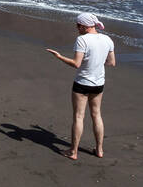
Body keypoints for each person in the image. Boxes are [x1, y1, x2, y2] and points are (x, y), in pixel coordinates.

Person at [47, 12, 116, 160]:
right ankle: (99, 150)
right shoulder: (107, 39)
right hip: (98, 83)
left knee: (79, 116)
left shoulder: (82, 40)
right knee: (96, 115)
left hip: (82, 83)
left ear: (84, 26)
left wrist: (59, 57)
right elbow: (111, 62)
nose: (77, 28)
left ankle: (73, 152)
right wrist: (96, 62)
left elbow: (76, 64)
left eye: (78, 26)